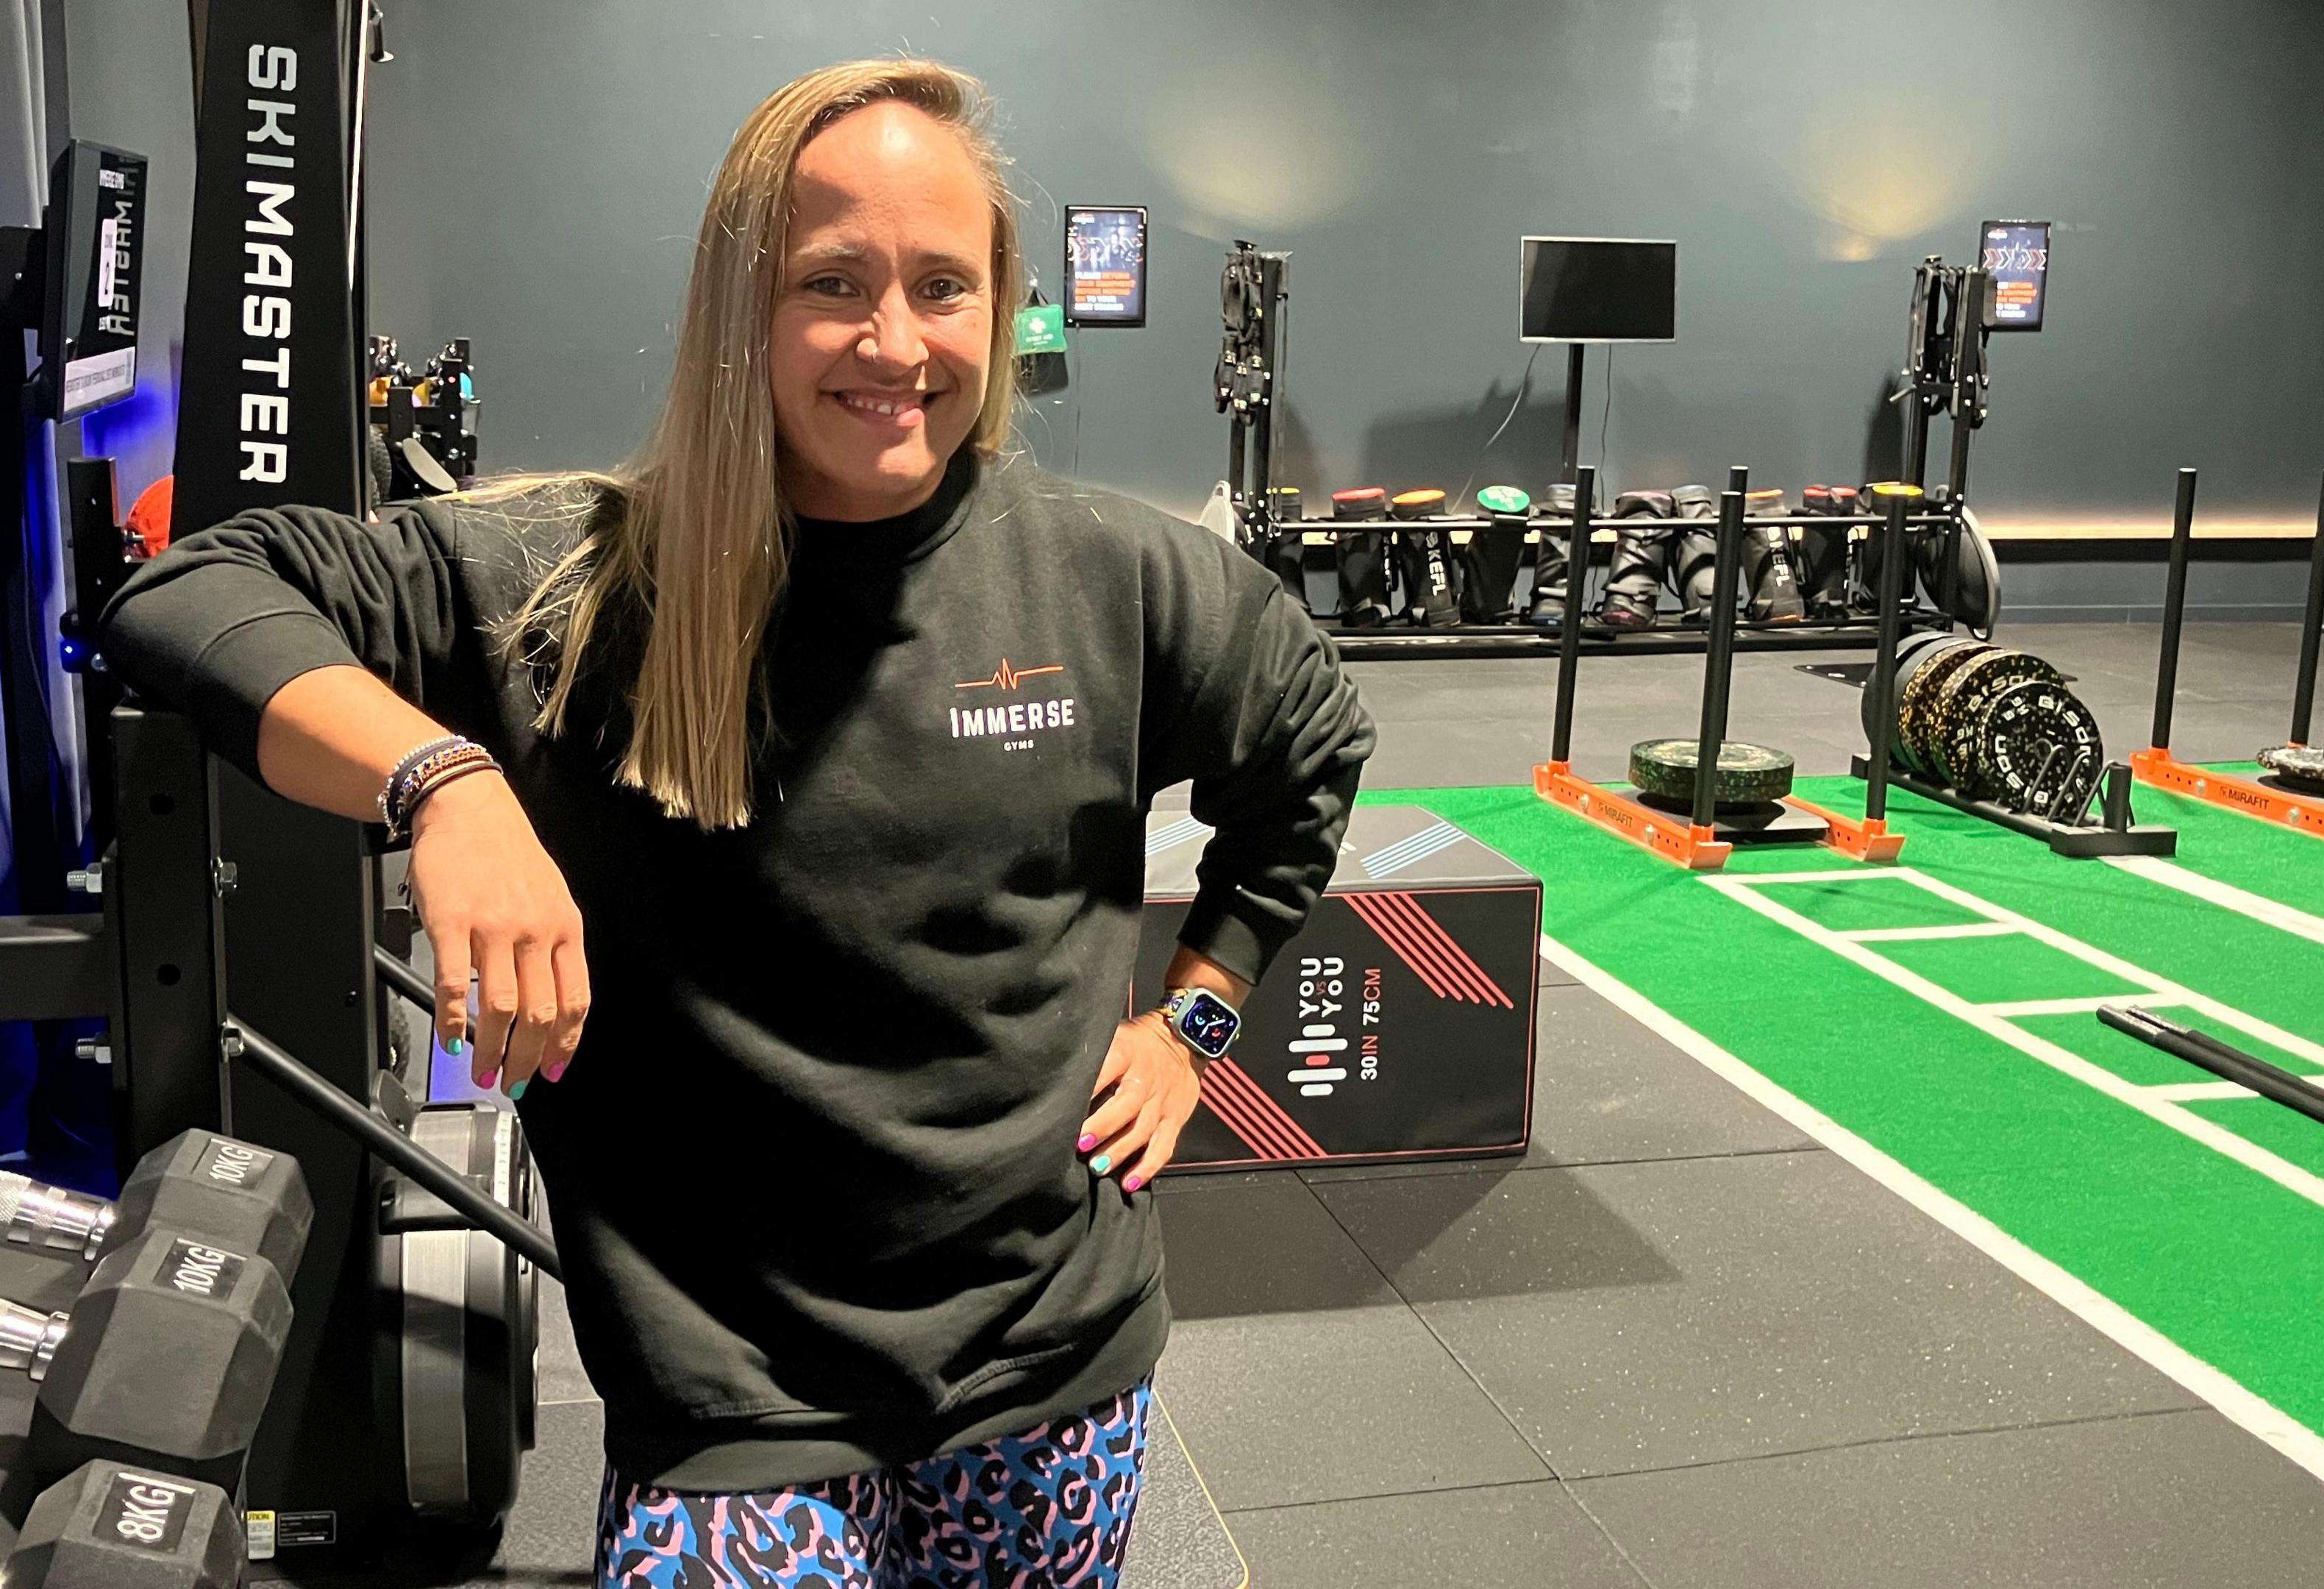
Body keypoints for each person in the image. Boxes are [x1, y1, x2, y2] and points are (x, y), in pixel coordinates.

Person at [100, 56, 1372, 1589]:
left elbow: (1309, 746)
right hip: (735, 1403)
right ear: (741, 310)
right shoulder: (571, 588)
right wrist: (443, 785)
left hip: (1054, 1367)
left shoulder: (1117, 579)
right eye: (834, 282)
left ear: (1000, 307)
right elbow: (185, 592)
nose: (894, 342)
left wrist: (1198, 1023)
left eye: (942, 287)